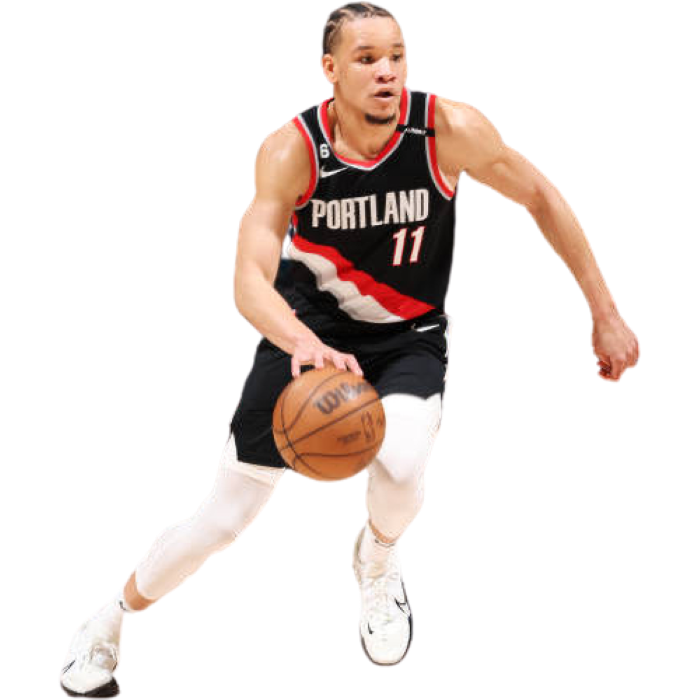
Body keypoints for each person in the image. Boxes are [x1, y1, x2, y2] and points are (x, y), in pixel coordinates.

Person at [59, 1, 642, 694]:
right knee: (225, 517)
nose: (387, 71)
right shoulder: (291, 149)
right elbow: (247, 280)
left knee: (401, 466)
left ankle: (378, 556)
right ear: (330, 70)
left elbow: (541, 196)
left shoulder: (447, 128)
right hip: (307, 332)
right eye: (367, 59)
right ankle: (107, 621)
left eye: (397, 55)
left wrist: (605, 312)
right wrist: (300, 341)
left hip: (407, 335)